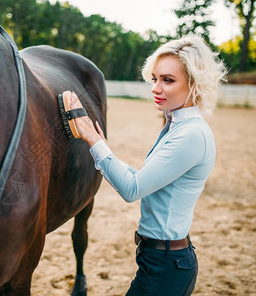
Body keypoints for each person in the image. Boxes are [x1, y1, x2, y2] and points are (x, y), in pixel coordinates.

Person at [63, 35, 227, 295]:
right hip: (159, 260)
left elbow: (133, 189)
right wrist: (104, 149)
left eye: (168, 80)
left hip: (166, 267)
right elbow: (143, 179)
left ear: (194, 84)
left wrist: (93, 140)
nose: (156, 87)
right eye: (155, 78)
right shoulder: (177, 125)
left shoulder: (191, 135)